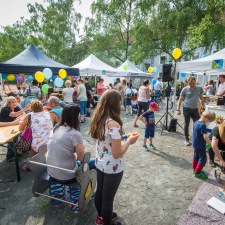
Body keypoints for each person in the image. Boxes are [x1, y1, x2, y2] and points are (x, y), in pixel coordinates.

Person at [88, 89, 139, 225]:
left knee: (100, 192)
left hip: (100, 163)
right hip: (113, 167)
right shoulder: (114, 124)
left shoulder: (98, 120)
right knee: (108, 199)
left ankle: (101, 217)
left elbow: (105, 141)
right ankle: (107, 222)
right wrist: (129, 141)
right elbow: (117, 153)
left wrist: (122, 137)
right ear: (114, 104)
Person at [46, 104, 95, 183]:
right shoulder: (74, 134)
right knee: (96, 162)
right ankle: (90, 189)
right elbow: (82, 159)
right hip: (67, 175)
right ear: (75, 116)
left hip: (51, 172)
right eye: (79, 113)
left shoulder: (55, 129)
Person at [19, 99, 53, 170]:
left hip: (38, 144)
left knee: (32, 146)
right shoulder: (48, 113)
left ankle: (30, 166)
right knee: (39, 141)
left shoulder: (29, 116)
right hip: (51, 141)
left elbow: (20, 128)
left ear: (31, 108)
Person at [0, 96, 30, 162]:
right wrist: (25, 109)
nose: (14, 103)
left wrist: (19, 117)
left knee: (15, 138)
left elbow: (23, 113)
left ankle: (14, 154)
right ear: (8, 103)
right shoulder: (5, 109)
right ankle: (10, 157)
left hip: (11, 126)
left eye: (15, 102)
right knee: (11, 140)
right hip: (4, 127)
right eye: (12, 102)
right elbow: (14, 115)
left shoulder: (15, 107)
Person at [176, 76, 204, 146]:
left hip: (195, 109)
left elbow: (201, 98)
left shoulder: (199, 88)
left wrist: (203, 108)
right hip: (186, 108)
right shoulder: (185, 89)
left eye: (193, 84)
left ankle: (198, 138)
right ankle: (186, 139)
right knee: (186, 124)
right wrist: (178, 109)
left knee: (198, 124)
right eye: (190, 84)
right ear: (187, 83)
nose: (192, 85)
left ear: (195, 82)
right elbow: (180, 99)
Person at [192, 111, 216, 179]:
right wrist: (209, 143)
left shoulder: (196, 122)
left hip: (195, 143)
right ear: (207, 119)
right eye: (210, 121)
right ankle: (197, 172)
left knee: (196, 156)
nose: (209, 123)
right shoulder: (203, 125)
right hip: (200, 145)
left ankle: (194, 169)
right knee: (203, 159)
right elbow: (205, 137)